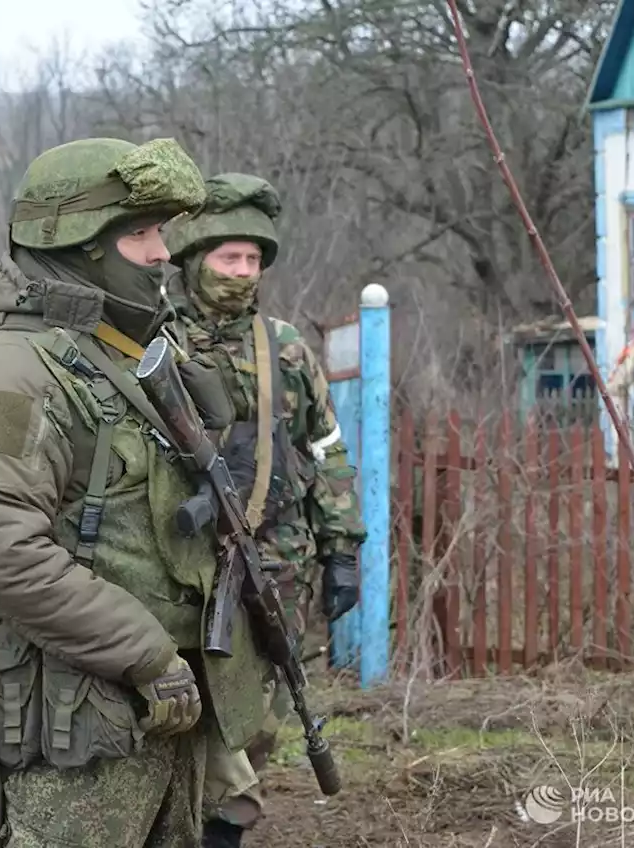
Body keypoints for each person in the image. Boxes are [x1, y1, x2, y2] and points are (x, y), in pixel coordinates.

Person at [0, 138, 273, 848]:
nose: (160, 253)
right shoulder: (6, 368)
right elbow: (2, 553)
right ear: (82, 242)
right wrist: (146, 654)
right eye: (140, 232)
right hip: (72, 725)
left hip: (149, 712)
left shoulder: (105, 347)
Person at [162, 172, 365, 847]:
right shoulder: (154, 345)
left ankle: (225, 830)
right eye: (228, 258)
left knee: (259, 715)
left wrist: (343, 551)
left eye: (253, 259)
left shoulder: (285, 348)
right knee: (177, 708)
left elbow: (327, 449)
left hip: (276, 564)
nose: (242, 272)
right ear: (195, 259)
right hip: (178, 565)